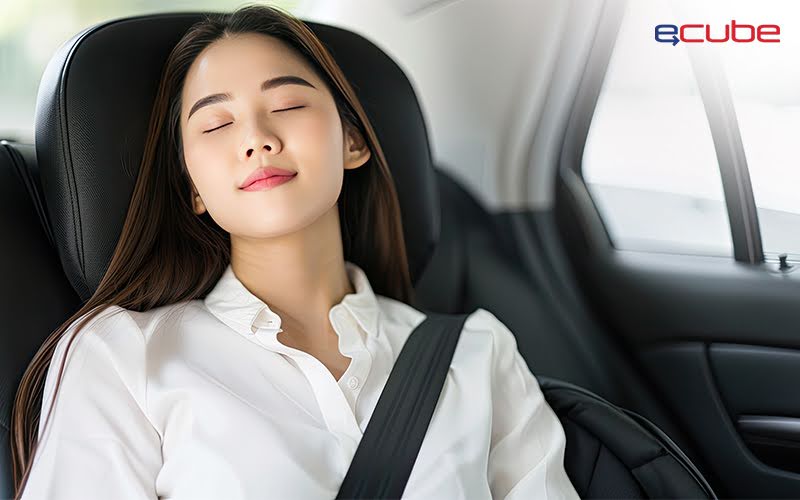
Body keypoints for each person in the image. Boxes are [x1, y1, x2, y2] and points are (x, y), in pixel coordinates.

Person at [11, 4, 581, 499]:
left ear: (352, 141)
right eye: (216, 124)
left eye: (287, 106)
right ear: (193, 189)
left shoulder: (479, 356)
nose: (257, 137)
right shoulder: (125, 358)